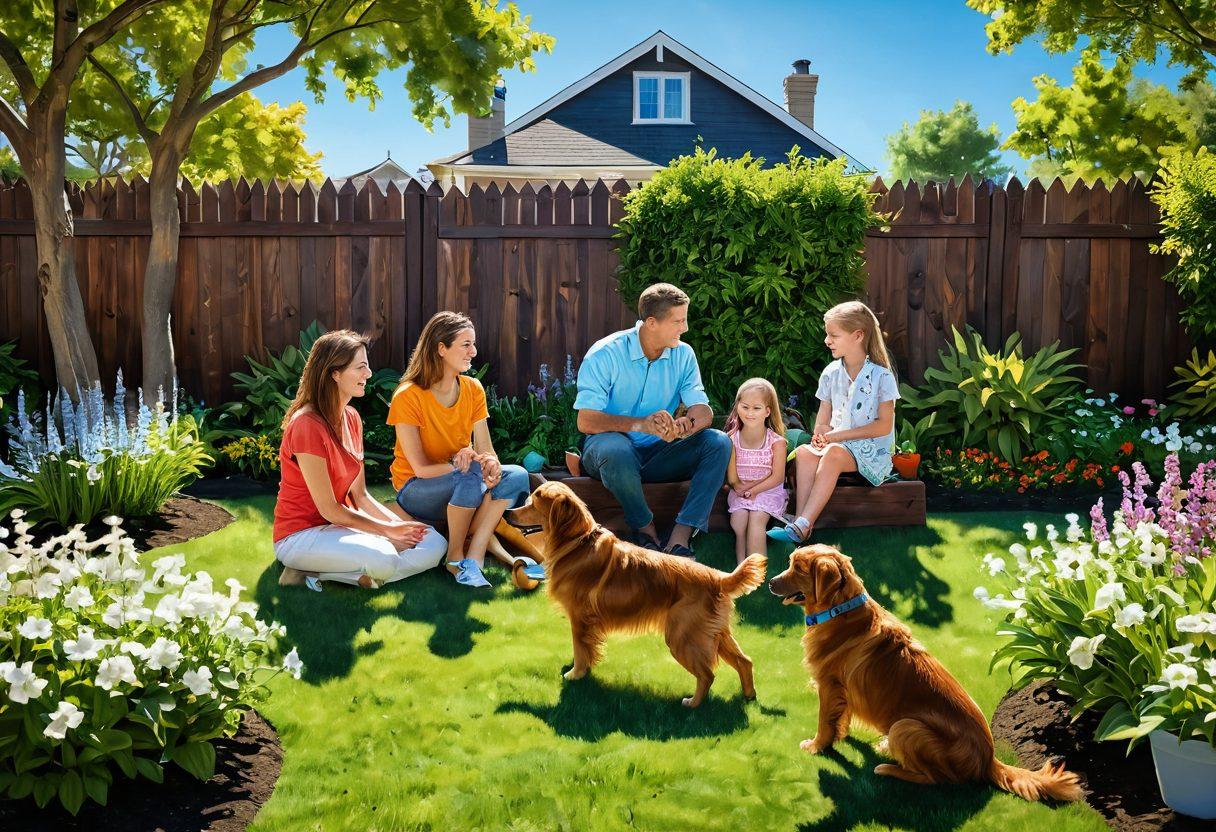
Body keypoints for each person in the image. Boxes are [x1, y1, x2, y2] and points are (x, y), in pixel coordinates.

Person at [273, 330, 447, 590]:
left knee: (434, 542)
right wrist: (387, 533)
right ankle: (309, 570)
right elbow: (328, 509)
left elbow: (361, 496)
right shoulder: (306, 425)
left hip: (341, 528)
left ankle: (351, 576)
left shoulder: (352, 418)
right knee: (384, 556)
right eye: (361, 367)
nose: (368, 374)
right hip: (301, 536)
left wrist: (398, 526)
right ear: (335, 373)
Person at [575, 283, 732, 559]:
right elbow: (586, 421)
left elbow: (702, 409)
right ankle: (645, 530)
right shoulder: (605, 354)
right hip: (610, 455)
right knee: (615, 450)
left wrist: (687, 425)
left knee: (717, 442)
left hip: (660, 454)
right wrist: (641, 424)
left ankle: (680, 537)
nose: (684, 328)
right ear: (651, 322)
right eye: (678, 321)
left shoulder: (683, 354)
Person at [388, 311, 533, 588]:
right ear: (441, 349)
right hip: (416, 488)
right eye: (466, 344)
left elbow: (485, 448)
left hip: (462, 478)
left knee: (515, 475)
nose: (473, 351)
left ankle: (474, 557)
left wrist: (489, 465)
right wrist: (466, 465)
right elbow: (420, 468)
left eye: (473, 344)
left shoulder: (473, 389)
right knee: (470, 474)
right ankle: (454, 558)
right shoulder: (408, 396)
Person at [774, 300, 899, 544]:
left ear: (858, 336)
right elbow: (823, 419)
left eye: (833, 335)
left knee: (832, 454)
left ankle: (802, 524)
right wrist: (821, 435)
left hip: (871, 450)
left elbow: (883, 426)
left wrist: (834, 439)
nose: (827, 340)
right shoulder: (831, 373)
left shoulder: (881, 377)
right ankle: (801, 524)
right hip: (838, 446)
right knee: (804, 453)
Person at [724, 378, 788, 564]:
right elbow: (732, 478)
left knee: (757, 518)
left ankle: (757, 571)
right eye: (745, 407)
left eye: (756, 408)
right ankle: (741, 567)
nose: (750, 413)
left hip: (768, 491)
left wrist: (754, 490)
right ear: (737, 407)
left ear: (767, 411)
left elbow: (777, 477)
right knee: (739, 520)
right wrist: (740, 489)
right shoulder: (731, 440)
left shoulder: (776, 442)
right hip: (740, 491)